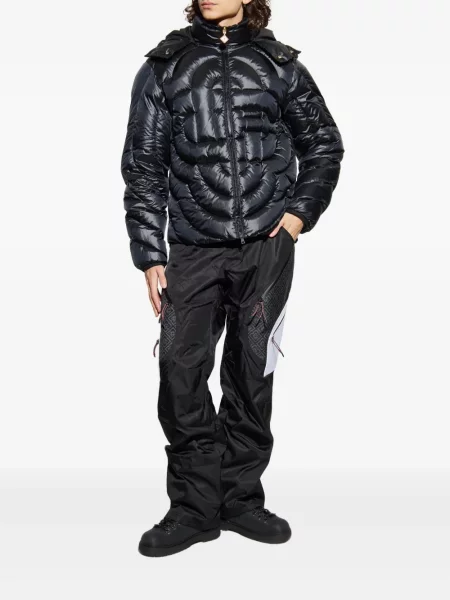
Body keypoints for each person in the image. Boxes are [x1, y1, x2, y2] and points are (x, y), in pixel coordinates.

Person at [121, 0, 344, 558]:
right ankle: (193, 509)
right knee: (180, 372)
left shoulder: (280, 65)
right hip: (191, 249)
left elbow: (324, 144)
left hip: (266, 251)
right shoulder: (164, 66)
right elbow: (143, 165)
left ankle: (241, 500)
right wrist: (149, 254)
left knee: (251, 373)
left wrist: (295, 219)